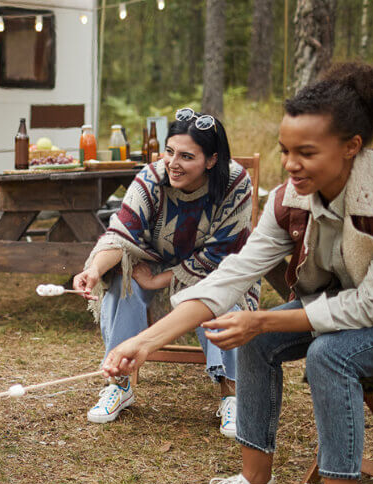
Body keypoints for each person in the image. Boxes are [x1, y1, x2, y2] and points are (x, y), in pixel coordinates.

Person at [103, 62, 373, 484]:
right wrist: (146, 340)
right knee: (250, 337)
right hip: (345, 302)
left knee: (328, 354)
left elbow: (372, 306)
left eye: (307, 153)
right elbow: (233, 275)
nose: (291, 165)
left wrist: (266, 321)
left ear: (351, 146)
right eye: (285, 151)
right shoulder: (286, 199)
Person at [73, 110, 256, 432]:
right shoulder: (152, 177)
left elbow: (224, 252)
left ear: (211, 160)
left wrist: (160, 279)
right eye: (169, 151)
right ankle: (119, 384)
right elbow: (121, 233)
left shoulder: (235, 183)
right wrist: (93, 269)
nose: (172, 163)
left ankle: (232, 392)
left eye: (187, 156)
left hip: (218, 269)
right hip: (157, 261)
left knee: (222, 295)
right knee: (121, 282)